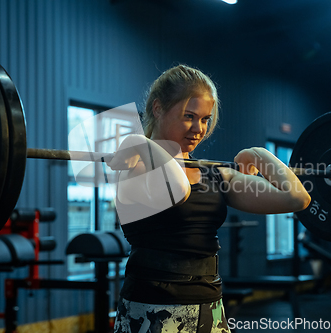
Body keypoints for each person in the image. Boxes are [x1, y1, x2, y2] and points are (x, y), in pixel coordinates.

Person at [108, 65, 311, 333]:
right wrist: (139, 142)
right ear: (157, 109)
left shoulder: (214, 175)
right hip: (150, 312)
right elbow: (179, 189)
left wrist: (258, 154)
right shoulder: (135, 166)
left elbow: (296, 198)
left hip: (210, 307)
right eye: (189, 116)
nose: (199, 129)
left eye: (205, 119)